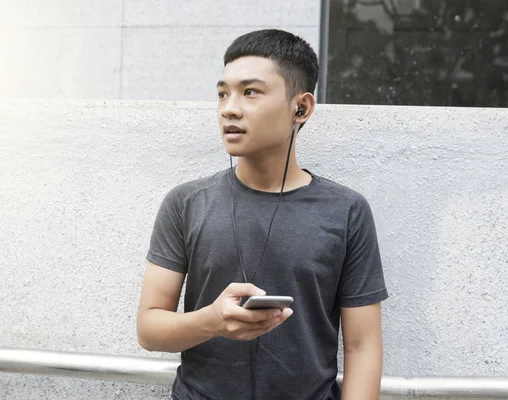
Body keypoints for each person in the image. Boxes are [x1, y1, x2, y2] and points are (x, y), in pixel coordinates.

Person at [137, 29, 388, 400]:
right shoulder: (187, 202)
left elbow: (362, 346)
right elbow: (149, 328)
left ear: (300, 108)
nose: (229, 108)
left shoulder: (346, 211)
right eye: (223, 93)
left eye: (250, 92)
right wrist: (213, 321)